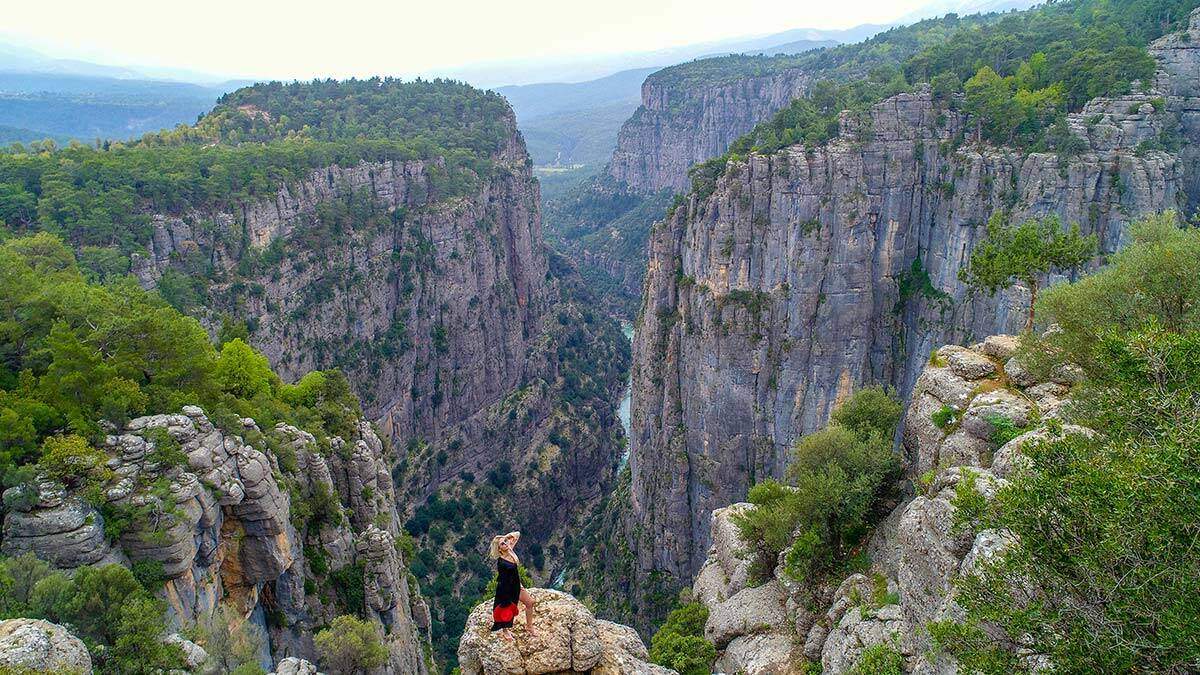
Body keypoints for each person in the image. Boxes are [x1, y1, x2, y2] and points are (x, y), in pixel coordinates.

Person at [489, 531, 536, 639]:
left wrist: (504, 538)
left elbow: (517, 533)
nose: (505, 543)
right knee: (506, 609)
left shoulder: (510, 548)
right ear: (499, 549)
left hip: (517, 585)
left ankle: (529, 627)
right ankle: (505, 630)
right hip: (507, 587)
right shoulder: (501, 562)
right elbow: (504, 579)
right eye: (502, 544)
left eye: (505, 542)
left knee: (530, 603)